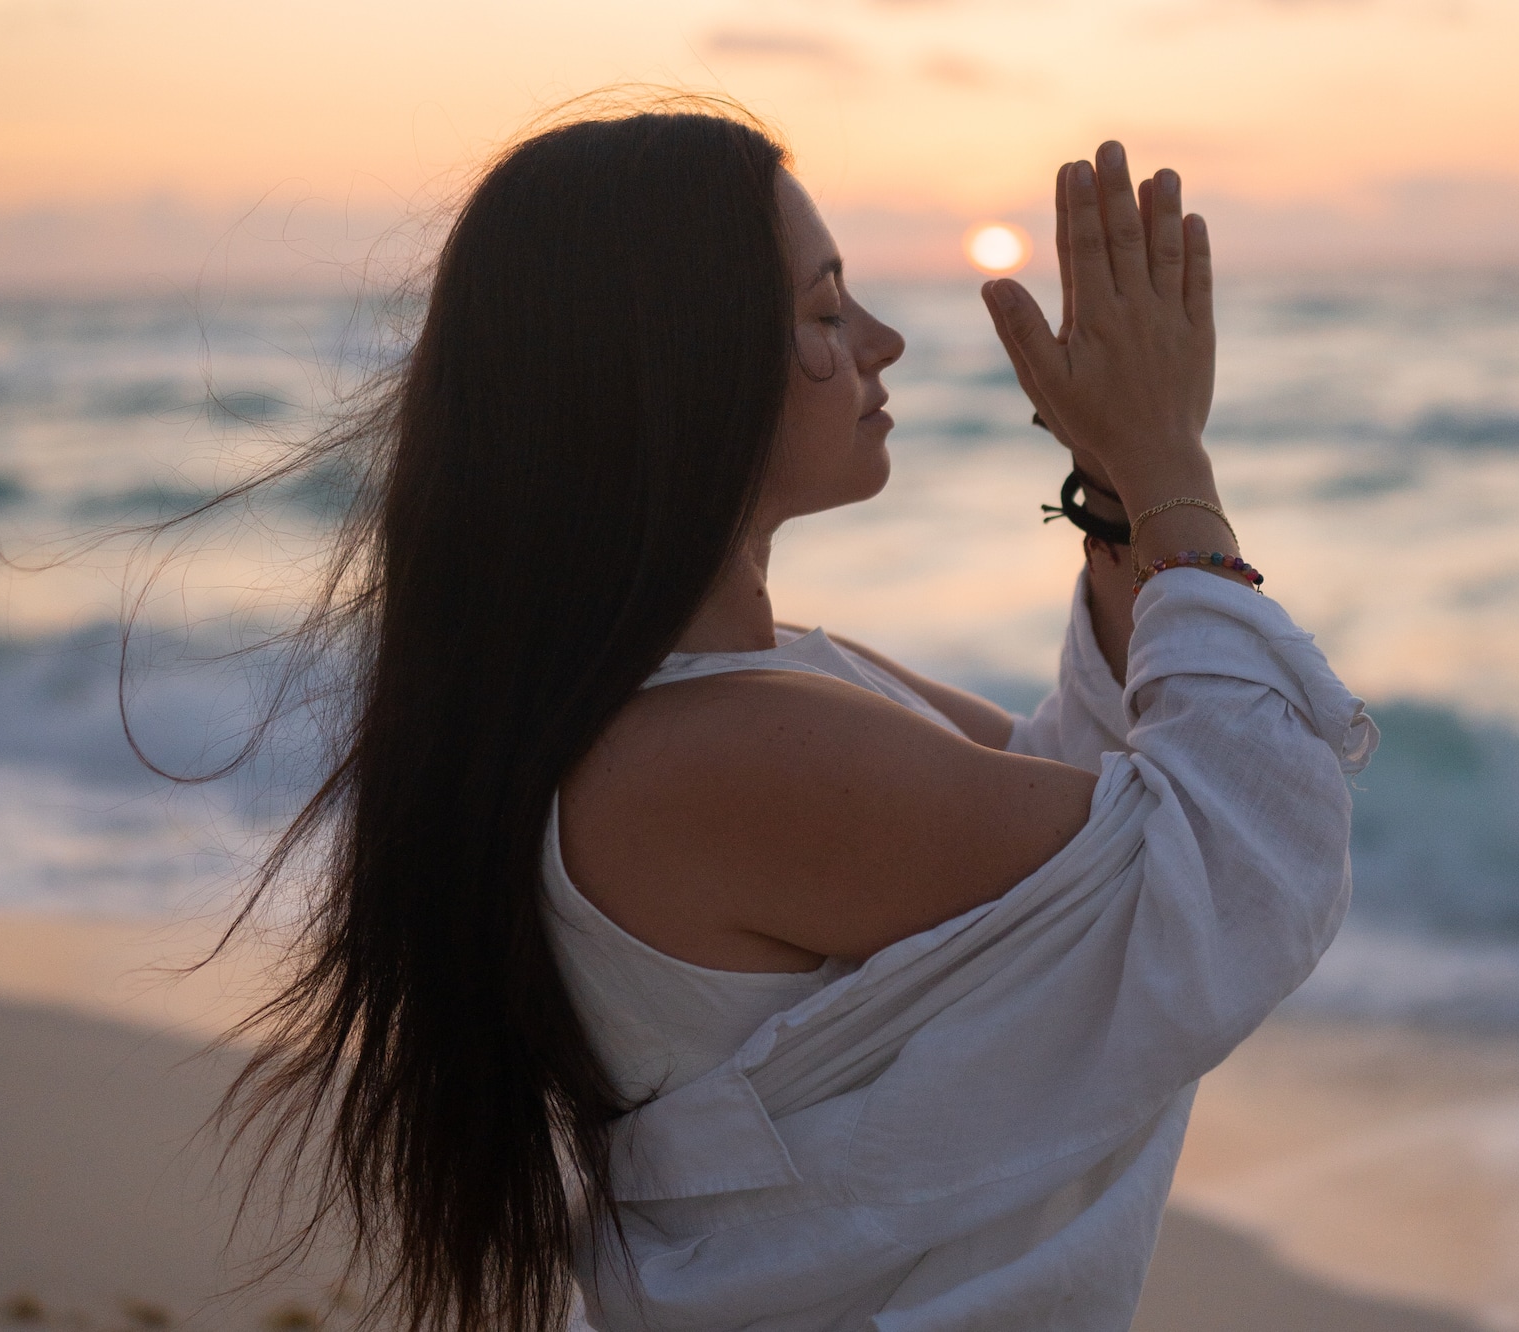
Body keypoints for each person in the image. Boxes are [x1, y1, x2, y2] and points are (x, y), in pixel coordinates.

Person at [221, 103, 1375, 1332]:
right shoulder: (709, 753)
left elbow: (1068, 815)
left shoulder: (738, 694)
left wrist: (1110, 488)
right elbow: (1232, 871)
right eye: (826, 312)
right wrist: (1167, 472)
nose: (880, 341)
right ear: (684, 372)